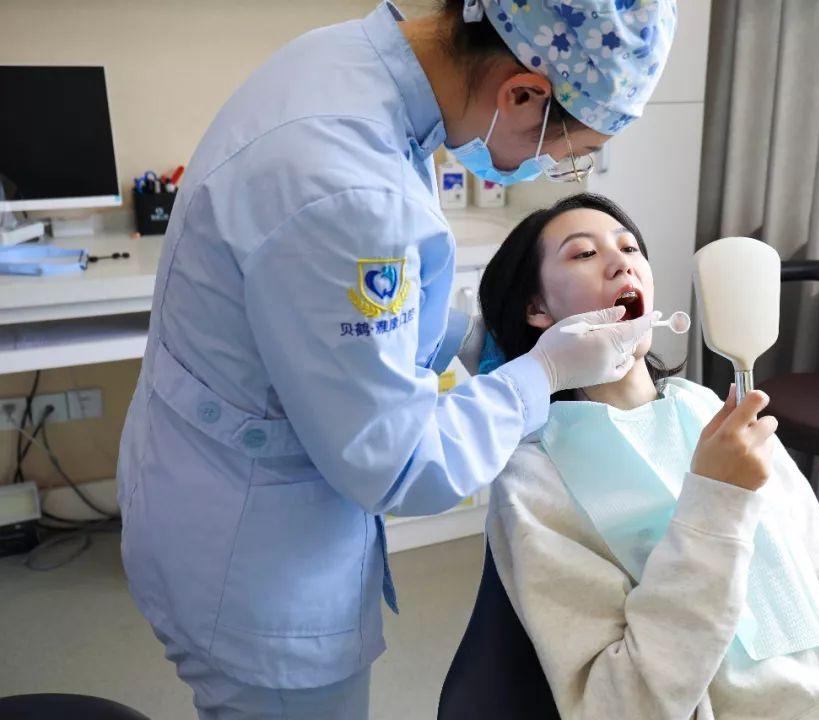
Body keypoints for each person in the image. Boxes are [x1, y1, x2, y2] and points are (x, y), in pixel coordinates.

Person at [115, 2, 676, 717]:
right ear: (522, 94)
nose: (554, 168)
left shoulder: (345, 66)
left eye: (628, 247)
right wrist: (542, 374)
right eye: (568, 152)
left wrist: (468, 338)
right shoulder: (348, 185)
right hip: (250, 556)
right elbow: (400, 462)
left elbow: (336, 305)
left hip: (201, 480)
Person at [478, 193, 819, 720]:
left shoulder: (710, 411)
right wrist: (716, 501)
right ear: (537, 310)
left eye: (630, 248)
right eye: (584, 254)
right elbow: (621, 705)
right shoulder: (534, 477)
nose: (621, 263)